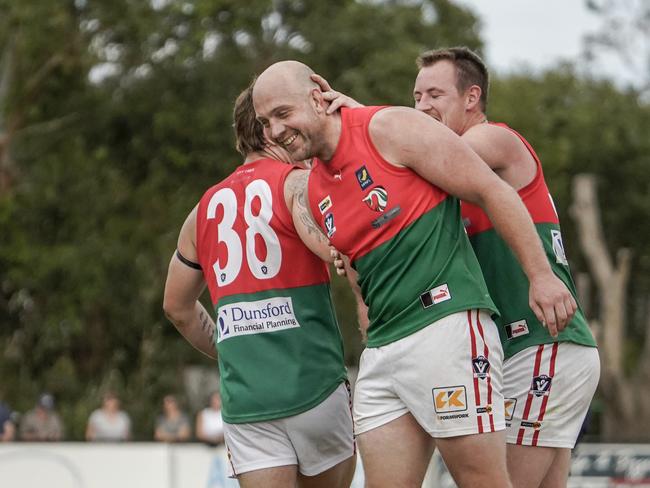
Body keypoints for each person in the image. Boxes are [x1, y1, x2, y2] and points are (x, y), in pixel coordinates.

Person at [253, 60, 578, 488]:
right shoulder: (313, 188)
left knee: (483, 481)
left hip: (445, 329)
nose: (275, 131)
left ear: (317, 97)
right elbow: (354, 267)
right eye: (264, 122)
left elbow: (491, 188)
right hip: (384, 350)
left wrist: (542, 275)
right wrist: (364, 317)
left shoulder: (388, 127)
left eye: (282, 114)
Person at [412, 47, 599, 488]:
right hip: (538, 349)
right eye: (416, 96)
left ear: (471, 97)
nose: (421, 107)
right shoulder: (455, 177)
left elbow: (417, 162)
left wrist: (353, 132)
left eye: (434, 94)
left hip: (541, 343)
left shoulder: (492, 140)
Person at [162, 84, 355, 488]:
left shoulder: (203, 208)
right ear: (272, 130)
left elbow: (177, 308)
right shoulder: (295, 184)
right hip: (313, 386)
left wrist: (235, 342)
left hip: (247, 401)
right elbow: (341, 251)